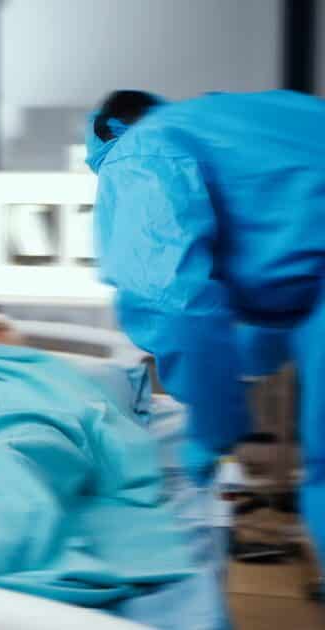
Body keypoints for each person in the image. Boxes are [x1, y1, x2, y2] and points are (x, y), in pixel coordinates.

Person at [85, 89, 325, 568]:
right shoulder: (250, 118)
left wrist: (214, 425)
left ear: (106, 135)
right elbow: (283, 290)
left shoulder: (139, 151)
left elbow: (174, 300)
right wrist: (234, 375)